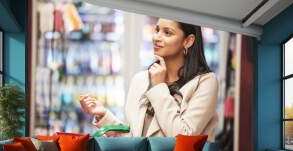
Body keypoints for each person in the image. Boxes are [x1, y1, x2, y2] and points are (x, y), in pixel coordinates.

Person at [79, 18, 219, 141]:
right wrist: (104, 115)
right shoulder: (141, 80)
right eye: (156, 30)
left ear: (188, 41)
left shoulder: (205, 82)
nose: (157, 37)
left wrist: (158, 87)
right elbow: (136, 139)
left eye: (167, 32)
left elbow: (183, 136)